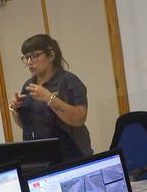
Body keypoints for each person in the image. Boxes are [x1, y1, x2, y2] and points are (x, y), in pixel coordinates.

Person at [8, 33, 91, 162]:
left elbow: (79, 118)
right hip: (38, 157)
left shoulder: (69, 81)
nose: (30, 62)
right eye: (26, 58)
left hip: (70, 156)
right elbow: (26, 126)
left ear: (51, 55)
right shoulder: (28, 85)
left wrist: (49, 98)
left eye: (35, 56)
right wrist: (14, 110)